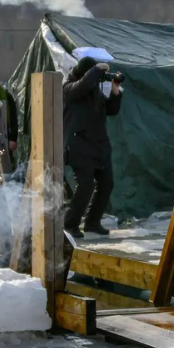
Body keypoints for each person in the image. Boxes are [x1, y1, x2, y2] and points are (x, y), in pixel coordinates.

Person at [63, 56, 123, 237]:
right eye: (93, 73)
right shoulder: (68, 87)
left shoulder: (94, 91)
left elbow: (110, 110)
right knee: (86, 185)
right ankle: (70, 224)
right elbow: (80, 87)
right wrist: (97, 70)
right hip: (79, 145)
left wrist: (115, 90)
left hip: (99, 145)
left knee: (107, 183)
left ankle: (92, 222)